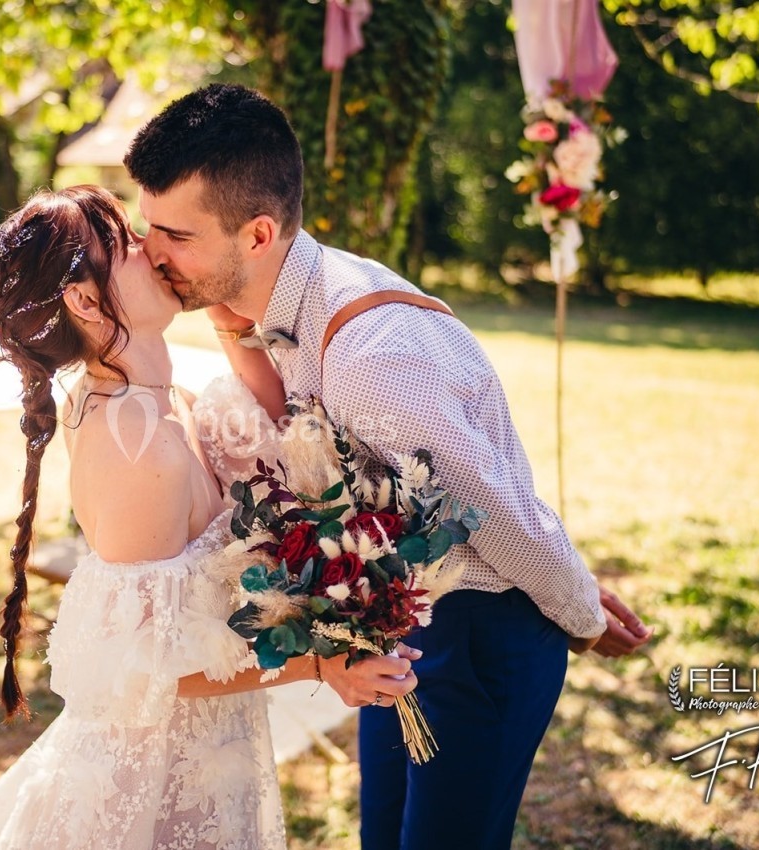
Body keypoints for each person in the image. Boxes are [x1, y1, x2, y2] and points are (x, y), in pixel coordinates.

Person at [123, 83, 655, 850]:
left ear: (259, 234)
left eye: (174, 235)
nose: (151, 252)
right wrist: (218, 308)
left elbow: (496, 513)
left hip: (482, 642)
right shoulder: (286, 299)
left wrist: (578, 613)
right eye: (148, 228)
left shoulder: (373, 355)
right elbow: (300, 436)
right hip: (404, 632)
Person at [0, 185, 418, 850]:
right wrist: (319, 666)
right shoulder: (137, 441)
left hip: (211, 751)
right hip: (151, 786)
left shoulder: (159, 396)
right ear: (83, 300)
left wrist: (221, 284)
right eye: (125, 243)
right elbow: (141, 673)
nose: (150, 248)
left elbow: (281, 428)